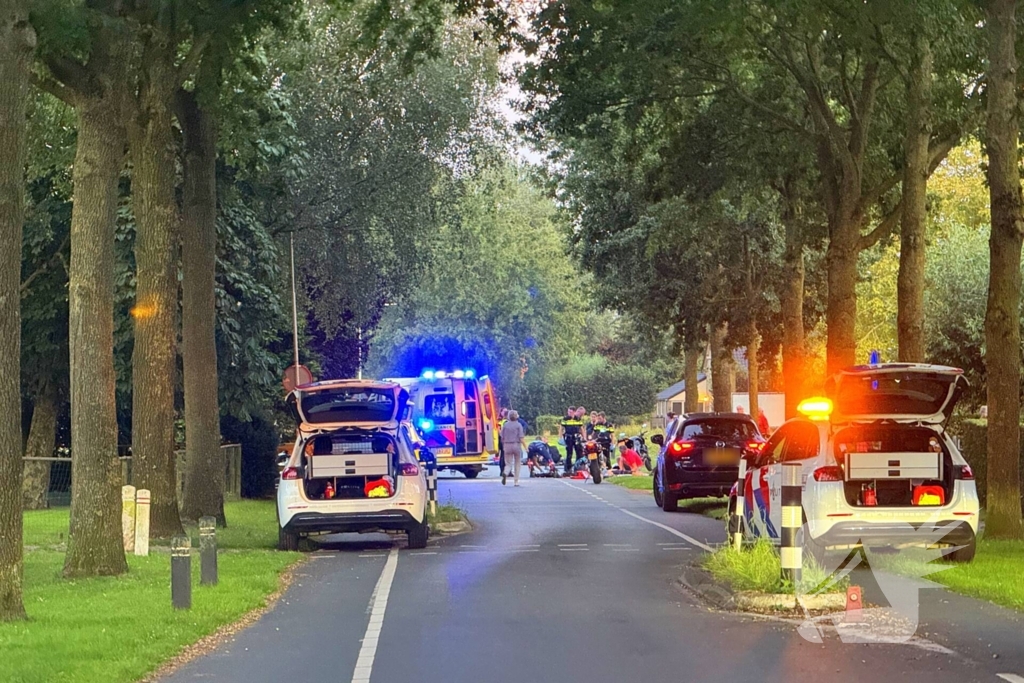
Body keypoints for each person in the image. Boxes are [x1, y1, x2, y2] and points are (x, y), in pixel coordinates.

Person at [500, 409, 527, 486]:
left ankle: (505, 472)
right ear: (516, 416)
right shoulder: (518, 425)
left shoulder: (505, 425)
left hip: (507, 445)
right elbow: (521, 437)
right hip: (516, 445)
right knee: (517, 463)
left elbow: (502, 436)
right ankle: (516, 481)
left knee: (508, 463)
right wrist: (526, 447)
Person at [559, 406, 584, 475]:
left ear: (574, 412)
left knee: (579, 452)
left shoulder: (578, 419)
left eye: (570, 412)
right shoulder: (565, 419)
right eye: (568, 412)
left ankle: (578, 467)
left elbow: (581, 429)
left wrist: (584, 437)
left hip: (576, 437)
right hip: (568, 437)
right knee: (569, 453)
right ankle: (568, 468)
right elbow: (561, 428)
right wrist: (560, 438)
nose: (569, 413)